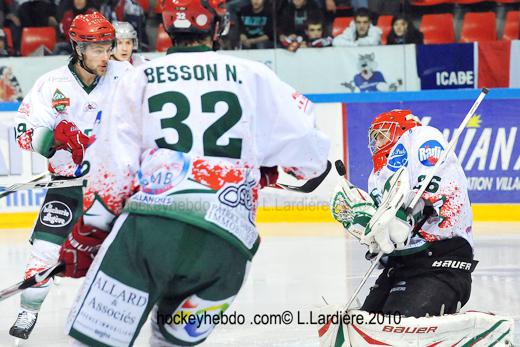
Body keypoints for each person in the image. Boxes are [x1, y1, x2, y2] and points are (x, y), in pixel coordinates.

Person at [57, 0, 330, 345]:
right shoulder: (255, 75)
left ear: (168, 28)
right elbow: (310, 155)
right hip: (226, 249)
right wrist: (269, 171)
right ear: (220, 26)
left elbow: (114, 176)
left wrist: (87, 235)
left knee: (93, 342)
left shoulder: (136, 78)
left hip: (149, 234)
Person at [9, 12, 132, 340]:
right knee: (46, 252)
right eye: (97, 50)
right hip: (67, 186)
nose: (106, 56)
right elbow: (25, 133)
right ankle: (29, 309)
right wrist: (56, 136)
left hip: (111, 188)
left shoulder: (126, 76)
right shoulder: (51, 85)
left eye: (109, 48)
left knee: (118, 254)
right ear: (78, 48)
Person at [330, 109, 476, 319]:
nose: (378, 141)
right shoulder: (377, 176)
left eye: (382, 134)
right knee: (369, 320)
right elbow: (389, 225)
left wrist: (408, 214)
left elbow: (437, 187)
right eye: (375, 137)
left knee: (401, 320)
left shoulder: (422, 138)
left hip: (441, 261)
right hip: (402, 265)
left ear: (402, 128)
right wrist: (371, 230)